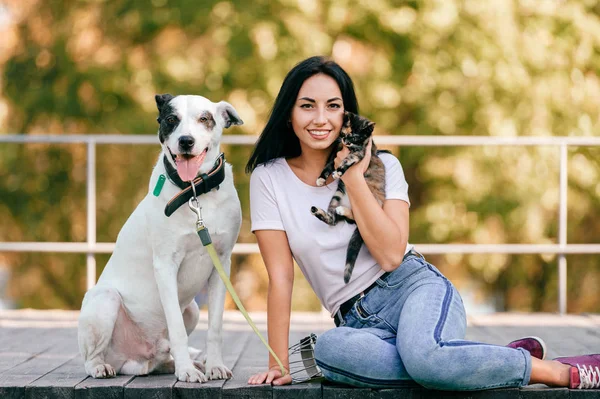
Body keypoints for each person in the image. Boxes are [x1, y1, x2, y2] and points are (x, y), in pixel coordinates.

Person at [245, 55, 599, 390]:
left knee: (425, 359)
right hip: (355, 322)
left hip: (413, 289)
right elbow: (281, 276)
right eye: (307, 105)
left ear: (346, 114)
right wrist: (279, 363)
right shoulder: (268, 178)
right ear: (289, 113)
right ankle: (475, 363)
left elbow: (390, 257)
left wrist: (352, 178)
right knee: (330, 350)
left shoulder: (384, 167)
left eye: (333, 106)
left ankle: (557, 371)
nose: (320, 118)